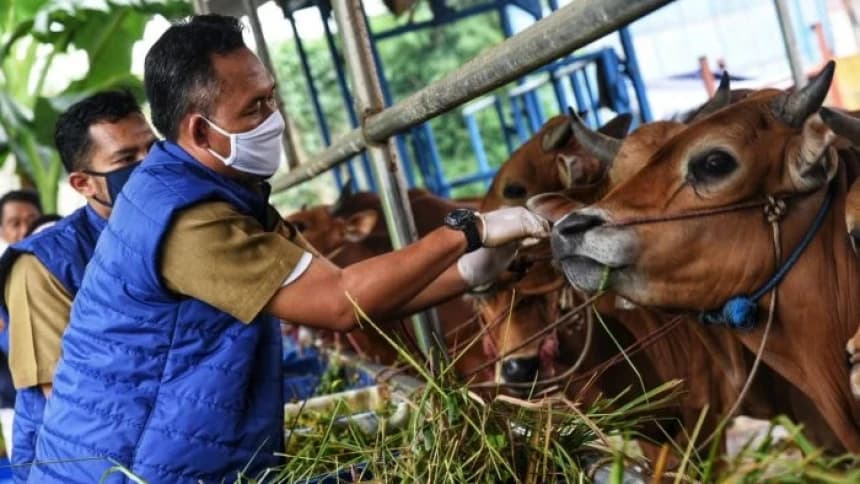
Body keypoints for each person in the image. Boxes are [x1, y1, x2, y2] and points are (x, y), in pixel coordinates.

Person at [30, 15, 549, 483]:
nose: (274, 117)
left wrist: (470, 271)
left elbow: (350, 293)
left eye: (271, 97)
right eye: (254, 107)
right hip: (127, 469)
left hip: (168, 454)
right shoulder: (185, 218)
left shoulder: (223, 192)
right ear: (199, 129)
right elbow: (341, 304)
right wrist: (466, 230)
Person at [0, 90, 155, 482]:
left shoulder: (174, 232)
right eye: (126, 160)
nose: (149, 166)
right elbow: (72, 402)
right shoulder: (40, 265)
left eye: (153, 149)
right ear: (83, 183)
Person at [0, 189, 42, 458]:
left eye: (31, 220)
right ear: (2, 230)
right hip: (12, 396)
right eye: (15, 223)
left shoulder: (63, 266)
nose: (25, 229)